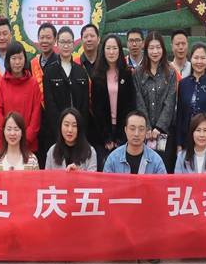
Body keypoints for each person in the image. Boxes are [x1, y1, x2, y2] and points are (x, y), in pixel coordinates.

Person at [41, 27, 91, 167]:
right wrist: (61, 129)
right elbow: (50, 104)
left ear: (74, 44)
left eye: (69, 42)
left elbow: (85, 104)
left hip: (77, 131)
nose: (66, 46)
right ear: (57, 44)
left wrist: (78, 127)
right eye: (63, 42)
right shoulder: (49, 71)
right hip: (56, 132)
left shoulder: (81, 72)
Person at [134, 31, 178, 172]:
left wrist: (159, 128)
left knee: (163, 167)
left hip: (164, 133)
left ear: (163, 50)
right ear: (146, 50)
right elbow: (138, 100)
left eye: (158, 47)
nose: (155, 51)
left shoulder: (170, 72)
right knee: (144, 168)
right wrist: (146, 127)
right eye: (151, 48)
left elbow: (170, 101)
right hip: (143, 132)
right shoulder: (138, 72)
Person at [90, 34, 136, 163]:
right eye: (108, 48)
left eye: (115, 48)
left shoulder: (127, 74)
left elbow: (130, 105)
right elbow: (96, 108)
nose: (111, 52)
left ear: (119, 50)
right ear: (103, 51)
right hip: (104, 132)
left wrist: (121, 137)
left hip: (123, 129)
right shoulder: (97, 76)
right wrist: (107, 138)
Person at [0, 41, 42, 154]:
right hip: (5, 144)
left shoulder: (33, 83)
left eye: (20, 58)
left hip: (28, 144)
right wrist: (9, 136)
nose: (17, 62)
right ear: (8, 60)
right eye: (14, 58)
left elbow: (36, 114)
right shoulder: (0, 84)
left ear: (25, 59)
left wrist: (25, 139)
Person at [176, 43, 206, 152]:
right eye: (196, 58)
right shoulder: (183, 83)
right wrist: (179, 143)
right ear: (190, 59)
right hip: (187, 139)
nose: (199, 61)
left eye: (203, 58)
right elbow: (180, 115)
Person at [31, 22, 59, 105]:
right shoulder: (32, 63)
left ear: (55, 40)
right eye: (42, 37)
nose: (44, 41)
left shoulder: (60, 63)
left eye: (48, 37)